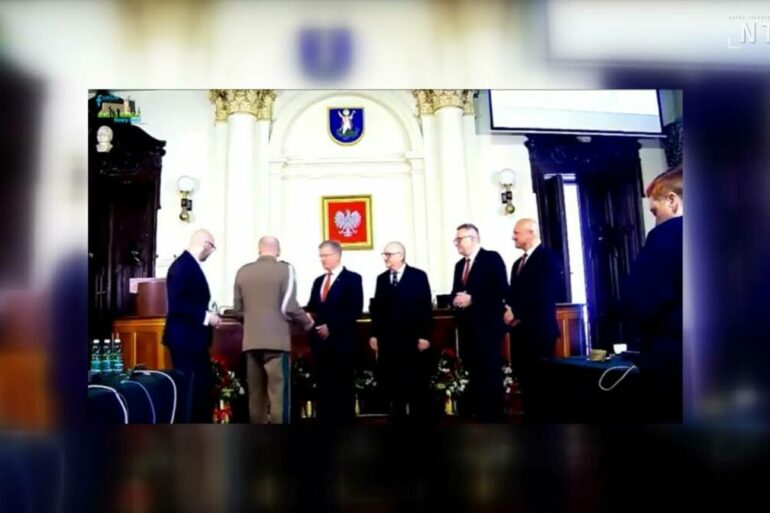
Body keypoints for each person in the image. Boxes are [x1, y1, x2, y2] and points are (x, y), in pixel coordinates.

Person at [623, 165, 683, 422]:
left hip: (674, 357)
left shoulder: (666, 236)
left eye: (655, 211)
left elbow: (641, 300)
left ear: (672, 200)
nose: (655, 220)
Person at [233, 236, 314, 424]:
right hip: (277, 343)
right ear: (278, 250)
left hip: (251, 342)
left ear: (259, 249)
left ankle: (258, 437)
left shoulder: (243, 271)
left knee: (256, 395)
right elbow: (289, 306)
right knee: (278, 395)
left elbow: (237, 310)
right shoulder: (286, 270)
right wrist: (308, 323)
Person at [504, 218, 562, 420]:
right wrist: (508, 309)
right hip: (520, 334)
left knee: (541, 387)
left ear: (531, 233)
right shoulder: (517, 264)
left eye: (516, 233)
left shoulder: (547, 259)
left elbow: (544, 295)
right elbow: (514, 295)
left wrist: (517, 313)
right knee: (526, 386)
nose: (513, 237)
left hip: (539, 334)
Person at [369, 241, 433, 421]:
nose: (385, 258)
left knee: (414, 384)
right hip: (388, 342)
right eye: (384, 254)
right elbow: (378, 310)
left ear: (401, 255)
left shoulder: (418, 276)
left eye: (389, 254)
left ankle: (418, 424)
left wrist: (425, 336)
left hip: (411, 340)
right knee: (392, 385)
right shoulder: (382, 279)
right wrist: (374, 334)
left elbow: (425, 308)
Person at [450, 223, 508, 422]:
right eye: (456, 240)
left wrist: (473, 298)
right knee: (475, 374)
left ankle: (494, 419)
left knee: (490, 373)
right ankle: (478, 418)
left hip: (488, 329)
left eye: (460, 239)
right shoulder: (459, 265)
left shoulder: (491, 259)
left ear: (473, 239)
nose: (456, 243)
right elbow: (456, 291)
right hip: (468, 331)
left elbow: (501, 290)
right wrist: (455, 299)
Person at [162, 229, 221, 423]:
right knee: (191, 394)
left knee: (199, 392)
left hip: (190, 339)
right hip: (185, 340)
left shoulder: (188, 265)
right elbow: (178, 304)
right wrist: (207, 317)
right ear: (206, 245)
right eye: (212, 248)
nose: (211, 253)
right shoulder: (183, 266)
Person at [305, 240, 363, 422]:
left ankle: (346, 429)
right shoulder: (318, 281)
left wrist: (331, 327)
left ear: (337, 255)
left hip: (343, 344)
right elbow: (313, 307)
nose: (322, 259)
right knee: (324, 388)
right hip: (321, 345)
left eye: (326, 255)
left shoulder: (352, 279)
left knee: (343, 388)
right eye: (320, 256)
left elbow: (355, 309)